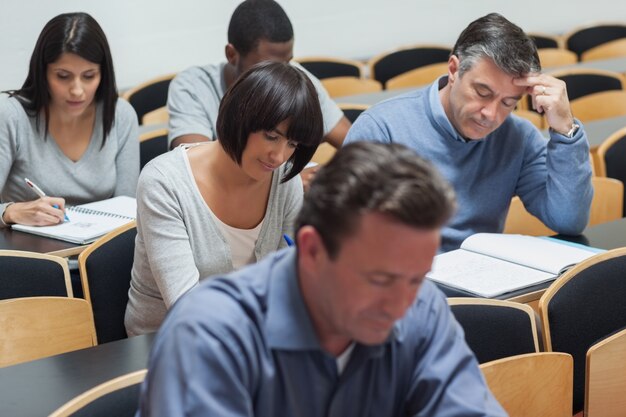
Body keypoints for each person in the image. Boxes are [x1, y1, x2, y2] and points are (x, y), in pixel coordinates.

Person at [137, 142, 508, 417]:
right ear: (313, 250)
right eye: (379, 279)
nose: (400, 305)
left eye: (416, 279)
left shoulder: (422, 307)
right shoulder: (209, 334)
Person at [345, 13, 593, 252]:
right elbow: (348, 237)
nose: (491, 114)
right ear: (454, 70)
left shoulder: (518, 137)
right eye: (483, 93)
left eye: (508, 103)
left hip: (483, 286)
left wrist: (565, 129)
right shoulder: (381, 129)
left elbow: (568, 220)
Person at [125, 61, 323, 336]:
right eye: (270, 136)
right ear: (239, 117)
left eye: (292, 144)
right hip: (165, 343)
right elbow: (187, 307)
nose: (278, 157)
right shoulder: (164, 182)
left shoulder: (284, 180)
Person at [0, 12, 139, 228]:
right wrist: (11, 212)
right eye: (63, 76)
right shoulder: (11, 116)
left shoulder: (120, 115)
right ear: (42, 72)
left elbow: (129, 212)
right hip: (30, 255)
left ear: (103, 74)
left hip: (100, 252)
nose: (77, 90)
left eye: (89, 76)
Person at [167, 0, 350, 152]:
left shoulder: (298, 78)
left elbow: (353, 142)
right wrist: (285, 183)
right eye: (267, 66)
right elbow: (196, 167)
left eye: (287, 63)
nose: (281, 75)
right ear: (232, 55)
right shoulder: (192, 88)